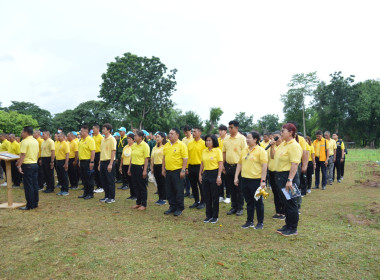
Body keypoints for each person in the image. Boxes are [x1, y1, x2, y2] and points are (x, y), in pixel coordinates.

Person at [272, 123, 302, 236]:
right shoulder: (283, 144)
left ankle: (293, 228)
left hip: (289, 177)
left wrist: (290, 180)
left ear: (290, 132)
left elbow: (294, 164)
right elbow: (274, 156)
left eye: (283, 130)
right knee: (285, 203)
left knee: (291, 203)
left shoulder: (294, 145)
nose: (281, 132)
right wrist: (273, 145)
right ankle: (287, 225)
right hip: (280, 176)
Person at [235, 131, 268, 229]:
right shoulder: (244, 150)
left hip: (256, 180)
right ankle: (249, 221)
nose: (247, 139)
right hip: (245, 179)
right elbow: (239, 164)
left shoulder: (261, 151)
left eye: (249, 138)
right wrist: (236, 176)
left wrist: (263, 180)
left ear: (255, 139)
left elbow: (264, 166)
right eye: (247, 138)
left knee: (258, 202)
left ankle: (260, 222)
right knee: (249, 201)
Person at [223, 120, 247, 216]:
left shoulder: (241, 138)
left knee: (239, 188)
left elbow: (245, 152)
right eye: (229, 127)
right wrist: (223, 166)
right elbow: (224, 152)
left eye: (231, 127)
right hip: (228, 166)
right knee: (230, 187)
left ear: (236, 128)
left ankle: (240, 207)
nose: (229, 129)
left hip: (238, 166)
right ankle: (234, 206)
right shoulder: (226, 138)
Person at [162, 128, 188, 216]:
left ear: (177, 135)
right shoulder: (167, 145)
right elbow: (164, 158)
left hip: (178, 171)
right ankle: (172, 206)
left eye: (172, 133)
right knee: (169, 190)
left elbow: (185, 158)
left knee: (178, 190)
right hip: (168, 171)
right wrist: (163, 169)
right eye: (169, 133)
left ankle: (179, 208)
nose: (170, 135)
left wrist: (183, 170)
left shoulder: (181, 145)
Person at [199, 135, 223, 224]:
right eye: (206, 140)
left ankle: (215, 216)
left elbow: (220, 164)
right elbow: (202, 163)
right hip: (206, 173)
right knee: (206, 195)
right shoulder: (204, 151)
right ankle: (208, 215)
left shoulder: (217, 151)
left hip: (214, 173)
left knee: (214, 195)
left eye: (209, 140)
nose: (207, 142)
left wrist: (219, 176)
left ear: (213, 141)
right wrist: (200, 174)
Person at [16, 126, 39, 210]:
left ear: (26, 132)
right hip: (34, 164)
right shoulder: (35, 140)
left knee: (28, 186)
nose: (21, 133)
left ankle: (30, 205)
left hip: (27, 165)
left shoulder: (24, 141)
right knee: (34, 184)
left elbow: (23, 155)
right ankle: (35, 203)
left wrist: (19, 165)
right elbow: (37, 153)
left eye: (22, 132)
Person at [128, 131, 150, 210]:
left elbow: (146, 159)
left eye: (136, 136)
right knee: (136, 185)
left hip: (140, 167)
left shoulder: (145, 146)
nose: (134, 137)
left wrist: (144, 170)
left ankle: (144, 204)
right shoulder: (133, 145)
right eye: (134, 136)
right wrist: (129, 168)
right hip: (133, 166)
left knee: (142, 186)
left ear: (141, 137)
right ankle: (138, 202)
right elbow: (131, 158)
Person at [267, 131, 285, 220]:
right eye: (274, 137)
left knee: (281, 192)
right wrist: (272, 146)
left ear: (281, 137)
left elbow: (274, 156)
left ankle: (284, 212)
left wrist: (273, 146)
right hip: (271, 172)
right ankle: (278, 211)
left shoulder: (283, 147)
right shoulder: (271, 147)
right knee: (275, 192)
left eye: (277, 137)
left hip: (280, 172)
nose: (275, 139)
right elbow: (270, 158)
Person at [187, 127, 206, 210]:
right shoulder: (190, 144)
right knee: (193, 185)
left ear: (200, 133)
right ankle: (196, 201)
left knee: (201, 185)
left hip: (200, 167)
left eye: (194, 132)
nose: (193, 133)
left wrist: (203, 169)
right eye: (192, 132)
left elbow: (205, 157)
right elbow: (187, 156)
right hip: (191, 166)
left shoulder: (204, 144)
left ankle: (203, 202)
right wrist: (187, 168)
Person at [98, 123, 117, 203]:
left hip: (109, 161)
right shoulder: (103, 139)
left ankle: (111, 197)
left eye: (104, 129)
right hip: (102, 161)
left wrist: (110, 164)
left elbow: (113, 151)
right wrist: (99, 163)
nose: (102, 130)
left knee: (110, 180)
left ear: (108, 130)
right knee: (104, 180)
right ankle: (106, 196)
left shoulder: (112, 139)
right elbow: (101, 151)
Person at [78, 125, 96, 200]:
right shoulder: (81, 140)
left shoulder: (90, 139)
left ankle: (90, 193)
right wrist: (79, 160)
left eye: (81, 131)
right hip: (82, 161)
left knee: (89, 178)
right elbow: (80, 151)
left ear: (86, 131)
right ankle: (85, 193)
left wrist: (91, 161)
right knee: (83, 178)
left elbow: (93, 151)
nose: (80, 133)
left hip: (87, 161)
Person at [151, 132, 167, 205]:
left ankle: (164, 199)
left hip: (162, 166)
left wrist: (164, 168)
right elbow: (152, 158)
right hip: (156, 166)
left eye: (158, 137)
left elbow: (166, 158)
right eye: (156, 137)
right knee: (158, 183)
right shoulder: (155, 147)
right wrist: (152, 167)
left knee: (163, 183)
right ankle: (160, 198)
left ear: (163, 138)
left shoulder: (165, 146)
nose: (156, 138)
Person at [120, 133, 136, 199]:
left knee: (133, 180)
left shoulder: (134, 146)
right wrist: (120, 166)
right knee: (129, 180)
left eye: (130, 139)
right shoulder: (125, 147)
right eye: (128, 138)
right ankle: (132, 194)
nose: (128, 140)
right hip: (125, 165)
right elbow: (122, 157)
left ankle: (135, 195)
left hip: (132, 165)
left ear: (133, 140)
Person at [217, 124, 229, 203]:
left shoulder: (228, 139)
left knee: (227, 180)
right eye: (219, 130)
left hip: (227, 162)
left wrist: (224, 165)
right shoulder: (217, 140)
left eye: (222, 130)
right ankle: (221, 195)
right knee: (219, 178)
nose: (220, 132)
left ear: (225, 131)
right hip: (218, 162)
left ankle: (228, 196)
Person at [92, 125, 104, 193]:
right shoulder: (93, 137)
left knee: (99, 171)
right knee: (95, 171)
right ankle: (98, 185)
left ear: (97, 129)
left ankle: (101, 186)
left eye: (94, 128)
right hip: (94, 154)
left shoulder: (101, 137)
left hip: (99, 154)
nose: (93, 130)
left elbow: (102, 148)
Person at [182, 125, 193, 198]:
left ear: (190, 131)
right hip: (185, 160)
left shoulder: (193, 139)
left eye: (187, 132)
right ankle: (187, 191)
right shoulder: (183, 139)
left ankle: (193, 192)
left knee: (192, 178)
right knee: (186, 178)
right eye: (184, 133)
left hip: (191, 160)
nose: (186, 134)